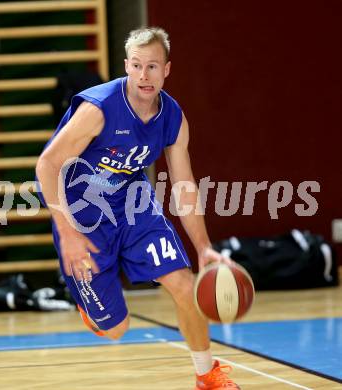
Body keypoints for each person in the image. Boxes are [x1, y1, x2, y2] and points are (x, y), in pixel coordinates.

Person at [36, 27, 240, 389]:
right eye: (137, 66)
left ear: (167, 70)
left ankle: (206, 374)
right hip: (81, 213)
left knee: (182, 282)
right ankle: (92, 304)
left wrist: (204, 246)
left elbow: (184, 186)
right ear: (127, 67)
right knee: (116, 329)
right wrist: (66, 230)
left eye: (153, 67)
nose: (144, 76)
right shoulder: (98, 110)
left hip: (132, 203)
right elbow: (47, 165)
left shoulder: (173, 119)